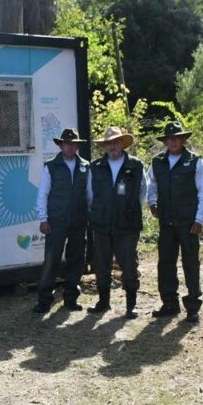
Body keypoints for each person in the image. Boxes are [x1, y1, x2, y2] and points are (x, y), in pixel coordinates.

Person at [147, 120, 203, 324]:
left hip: (189, 223)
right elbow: (151, 184)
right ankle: (169, 304)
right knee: (165, 264)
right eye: (169, 139)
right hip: (166, 222)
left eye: (177, 138)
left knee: (190, 264)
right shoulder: (157, 162)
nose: (173, 142)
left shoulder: (194, 161)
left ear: (183, 139)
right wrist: (152, 203)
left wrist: (199, 219)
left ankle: (192, 307)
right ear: (165, 141)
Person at [87, 127, 146, 318]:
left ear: (122, 143)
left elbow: (142, 192)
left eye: (116, 142)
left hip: (127, 223)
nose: (112, 146)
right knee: (102, 263)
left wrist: (129, 210)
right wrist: (99, 212)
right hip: (102, 223)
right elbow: (90, 194)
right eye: (109, 143)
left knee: (129, 263)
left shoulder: (136, 165)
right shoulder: (95, 167)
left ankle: (131, 305)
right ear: (104, 146)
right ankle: (103, 302)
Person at [33, 128, 90, 316]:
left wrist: (90, 215)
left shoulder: (85, 166)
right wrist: (43, 219)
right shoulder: (51, 166)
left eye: (73, 144)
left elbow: (89, 194)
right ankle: (44, 300)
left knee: (76, 260)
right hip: (56, 221)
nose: (70, 146)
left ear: (78, 146)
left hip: (78, 221)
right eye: (66, 143)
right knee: (51, 261)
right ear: (61, 145)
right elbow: (42, 194)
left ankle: (71, 298)